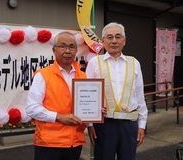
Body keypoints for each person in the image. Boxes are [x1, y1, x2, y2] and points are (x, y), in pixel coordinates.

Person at [86, 22, 148, 160]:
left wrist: (142, 125)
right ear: (103, 41)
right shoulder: (94, 63)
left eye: (118, 37)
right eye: (109, 37)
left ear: (124, 40)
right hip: (104, 125)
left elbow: (139, 96)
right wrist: (90, 124)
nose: (114, 41)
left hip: (129, 124)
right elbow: (88, 95)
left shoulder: (134, 63)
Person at [26, 31, 88, 160]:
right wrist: (59, 117)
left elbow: (85, 105)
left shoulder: (83, 76)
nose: (67, 51)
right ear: (54, 50)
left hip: (74, 142)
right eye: (63, 46)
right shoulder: (43, 75)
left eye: (71, 47)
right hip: (49, 144)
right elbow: (32, 109)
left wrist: (95, 112)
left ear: (76, 50)